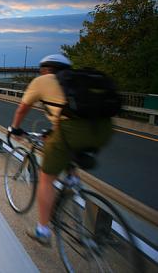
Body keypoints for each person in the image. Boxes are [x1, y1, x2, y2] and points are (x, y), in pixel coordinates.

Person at [8, 54, 112, 246]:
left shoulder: (42, 81)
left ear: (46, 69)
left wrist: (15, 127)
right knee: (68, 151)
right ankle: (73, 180)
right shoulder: (75, 83)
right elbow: (69, 111)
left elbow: (22, 108)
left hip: (71, 130)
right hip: (103, 129)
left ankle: (42, 230)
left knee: (46, 177)